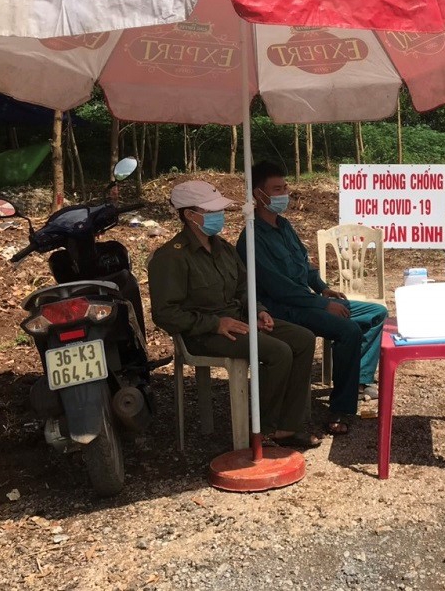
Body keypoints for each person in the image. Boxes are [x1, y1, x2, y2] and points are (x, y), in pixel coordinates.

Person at [148, 180, 320, 449]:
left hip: (240, 321)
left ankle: (288, 426)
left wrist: (260, 311)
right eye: (210, 211)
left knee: (303, 338)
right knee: (279, 352)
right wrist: (214, 324)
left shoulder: (223, 248)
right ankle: (262, 428)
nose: (219, 217)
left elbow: (244, 288)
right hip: (203, 332)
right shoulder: (171, 257)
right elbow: (165, 313)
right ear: (190, 215)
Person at [237, 161, 386, 436]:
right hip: (283, 309)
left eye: (285, 188)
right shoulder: (251, 237)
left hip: (306, 301)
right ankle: (340, 409)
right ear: (259, 195)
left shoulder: (284, 226)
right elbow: (280, 288)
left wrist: (322, 288)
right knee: (348, 330)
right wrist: (323, 304)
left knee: (376, 313)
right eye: (276, 189)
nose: (284, 194)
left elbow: (303, 265)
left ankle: (360, 381)